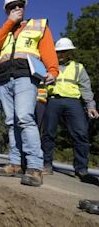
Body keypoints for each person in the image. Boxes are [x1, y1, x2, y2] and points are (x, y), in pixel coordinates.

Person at [0, 0, 59, 187]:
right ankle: (15, 163)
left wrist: (53, 70)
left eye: (20, 5)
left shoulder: (38, 26)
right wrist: (9, 23)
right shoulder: (3, 30)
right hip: (4, 79)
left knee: (25, 118)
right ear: (7, 11)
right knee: (11, 123)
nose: (17, 8)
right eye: (12, 6)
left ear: (25, 8)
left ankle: (35, 167)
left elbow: (48, 50)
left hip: (26, 77)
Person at [42, 38, 99, 177]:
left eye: (63, 51)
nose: (60, 54)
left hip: (73, 102)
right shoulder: (48, 66)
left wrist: (91, 106)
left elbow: (86, 88)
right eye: (57, 51)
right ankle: (46, 164)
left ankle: (81, 169)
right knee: (48, 133)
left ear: (70, 52)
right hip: (53, 101)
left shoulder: (78, 67)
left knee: (81, 134)